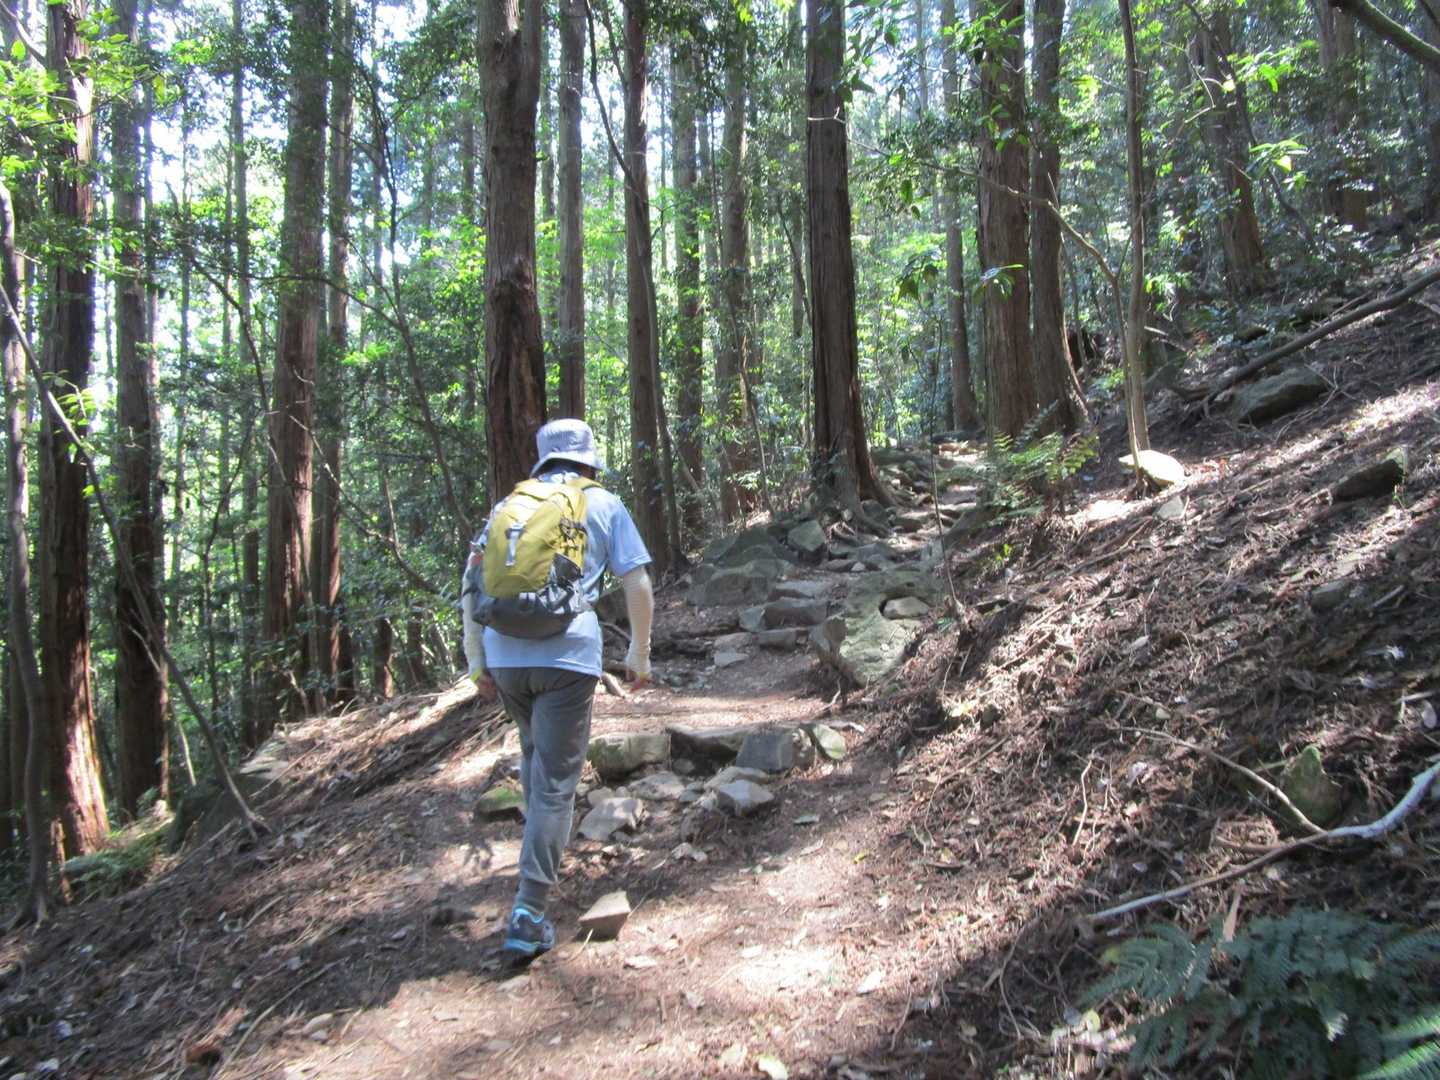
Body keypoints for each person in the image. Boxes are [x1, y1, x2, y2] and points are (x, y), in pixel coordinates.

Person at [461, 418, 654, 962]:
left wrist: (477, 662)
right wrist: (639, 654)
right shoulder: (602, 503)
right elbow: (637, 581)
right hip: (567, 657)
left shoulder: (509, 506)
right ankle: (528, 912)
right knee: (553, 786)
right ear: (589, 459)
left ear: (543, 458)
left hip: (505, 655)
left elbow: (471, 583)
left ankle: (536, 866)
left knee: (534, 757)